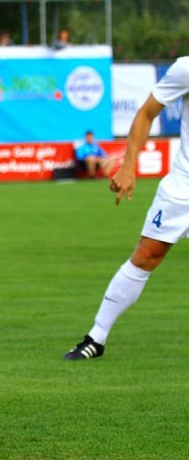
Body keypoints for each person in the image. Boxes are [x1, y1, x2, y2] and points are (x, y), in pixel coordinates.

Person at [64, 56, 189, 360]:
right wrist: (129, 167)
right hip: (183, 186)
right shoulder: (185, 68)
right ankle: (96, 337)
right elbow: (146, 113)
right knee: (145, 256)